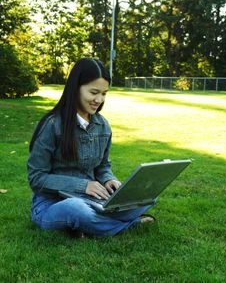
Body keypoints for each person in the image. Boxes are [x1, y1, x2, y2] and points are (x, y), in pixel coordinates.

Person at [27, 57, 155, 237]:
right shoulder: (52, 125)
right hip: (52, 204)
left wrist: (109, 180)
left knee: (146, 196)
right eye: (94, 92)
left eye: (104, 93)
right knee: (76, 209)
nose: (99, 99)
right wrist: (83, 185)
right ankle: (129, 224)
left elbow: (102, 166)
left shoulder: (103, 126)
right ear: (76, 88)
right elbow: (36, 178)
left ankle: (89, 225)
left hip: (93, 200)